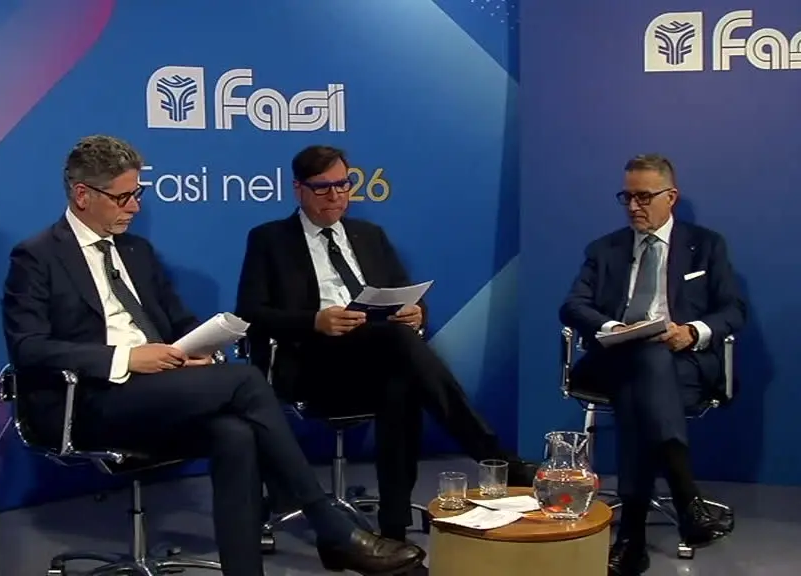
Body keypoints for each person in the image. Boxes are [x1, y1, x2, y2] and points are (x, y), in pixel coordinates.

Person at [1, 135, 425, 576]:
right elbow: (28, 347)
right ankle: (331, 529)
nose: (135, 207)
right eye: (123, 197)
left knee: (234, 434)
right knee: (245, 380)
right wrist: (126, 359)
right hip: (89, 399)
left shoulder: (136, 251)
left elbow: (178, 321)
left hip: (157, 389)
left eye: (138, 194)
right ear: (82, 194)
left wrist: (198, 347)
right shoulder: (37, 256)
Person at [235, 144, 538, 544]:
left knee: (402, 380)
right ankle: (494, 456)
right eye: (322, 187)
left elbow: (403, 292)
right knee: (399, 350)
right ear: (299, 189)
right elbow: (250, 313)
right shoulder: (270, 239)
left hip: (375, 356)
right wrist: (314, 321)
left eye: (343, 185)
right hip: (310, 362)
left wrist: (416, 314)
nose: (335, 196)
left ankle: (394, 529)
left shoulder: (369, 235)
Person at [559, 154, 744, 575]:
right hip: (612, 360)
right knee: (642, 357)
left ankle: (632, 538)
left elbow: (734, 309)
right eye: (626, 197)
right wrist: (614, 327)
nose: (633, 206)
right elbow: (573, 305)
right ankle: (686, 499)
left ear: (670, 197)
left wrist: (692, 331)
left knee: (640, 385)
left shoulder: (706, 245)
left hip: (683, 364)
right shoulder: (604, 249)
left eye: (643, 197)